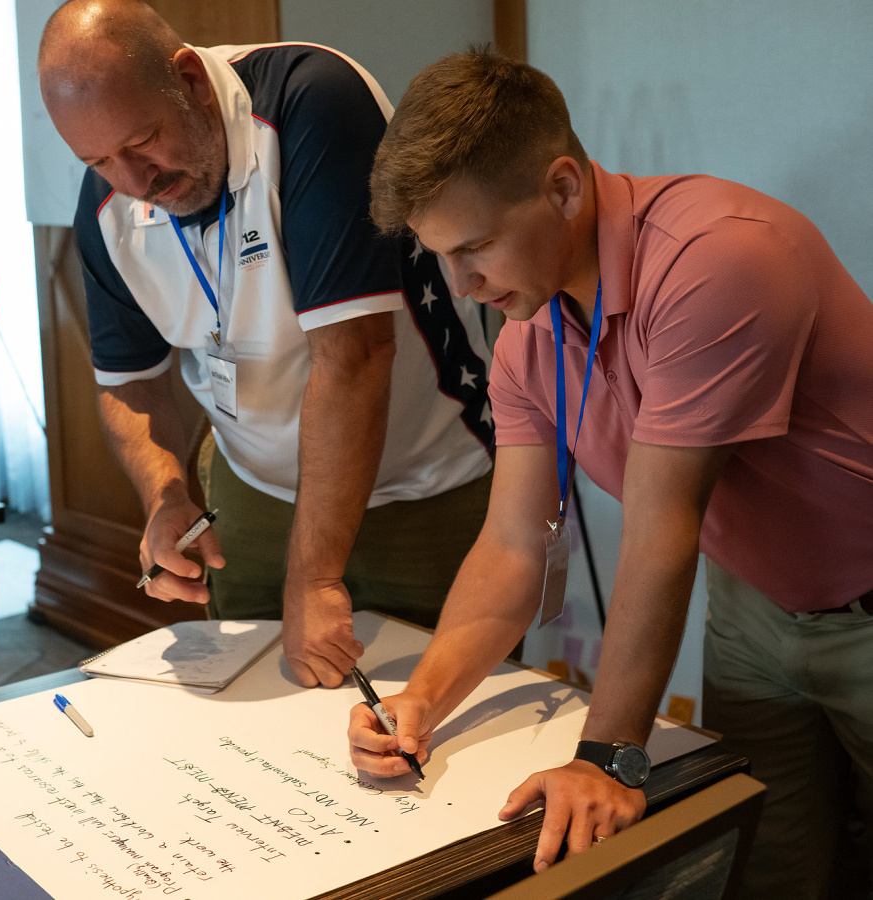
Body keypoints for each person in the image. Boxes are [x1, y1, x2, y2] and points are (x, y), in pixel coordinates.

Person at [347, 48, 873, 898]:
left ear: (562, 188)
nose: (464, 286)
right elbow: (516, 542)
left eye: (475, 246)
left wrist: (608, 758)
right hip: (757, 611)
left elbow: (664, 526)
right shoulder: (530, 334)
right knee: (766, 866)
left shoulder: (715, 259)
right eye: (438, 255)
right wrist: (422, 698)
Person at [38, 0, 496, 689]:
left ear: (189, 77)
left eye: (142, 142)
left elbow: (355, 356)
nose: (136, 183)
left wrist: (313, 579)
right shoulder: (108, 206)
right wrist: (165, 496)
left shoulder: (312, 100)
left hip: (423, 482)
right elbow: (131, 384)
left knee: (428, 723)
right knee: (255, 707)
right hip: (255, 487)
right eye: (99, 160)